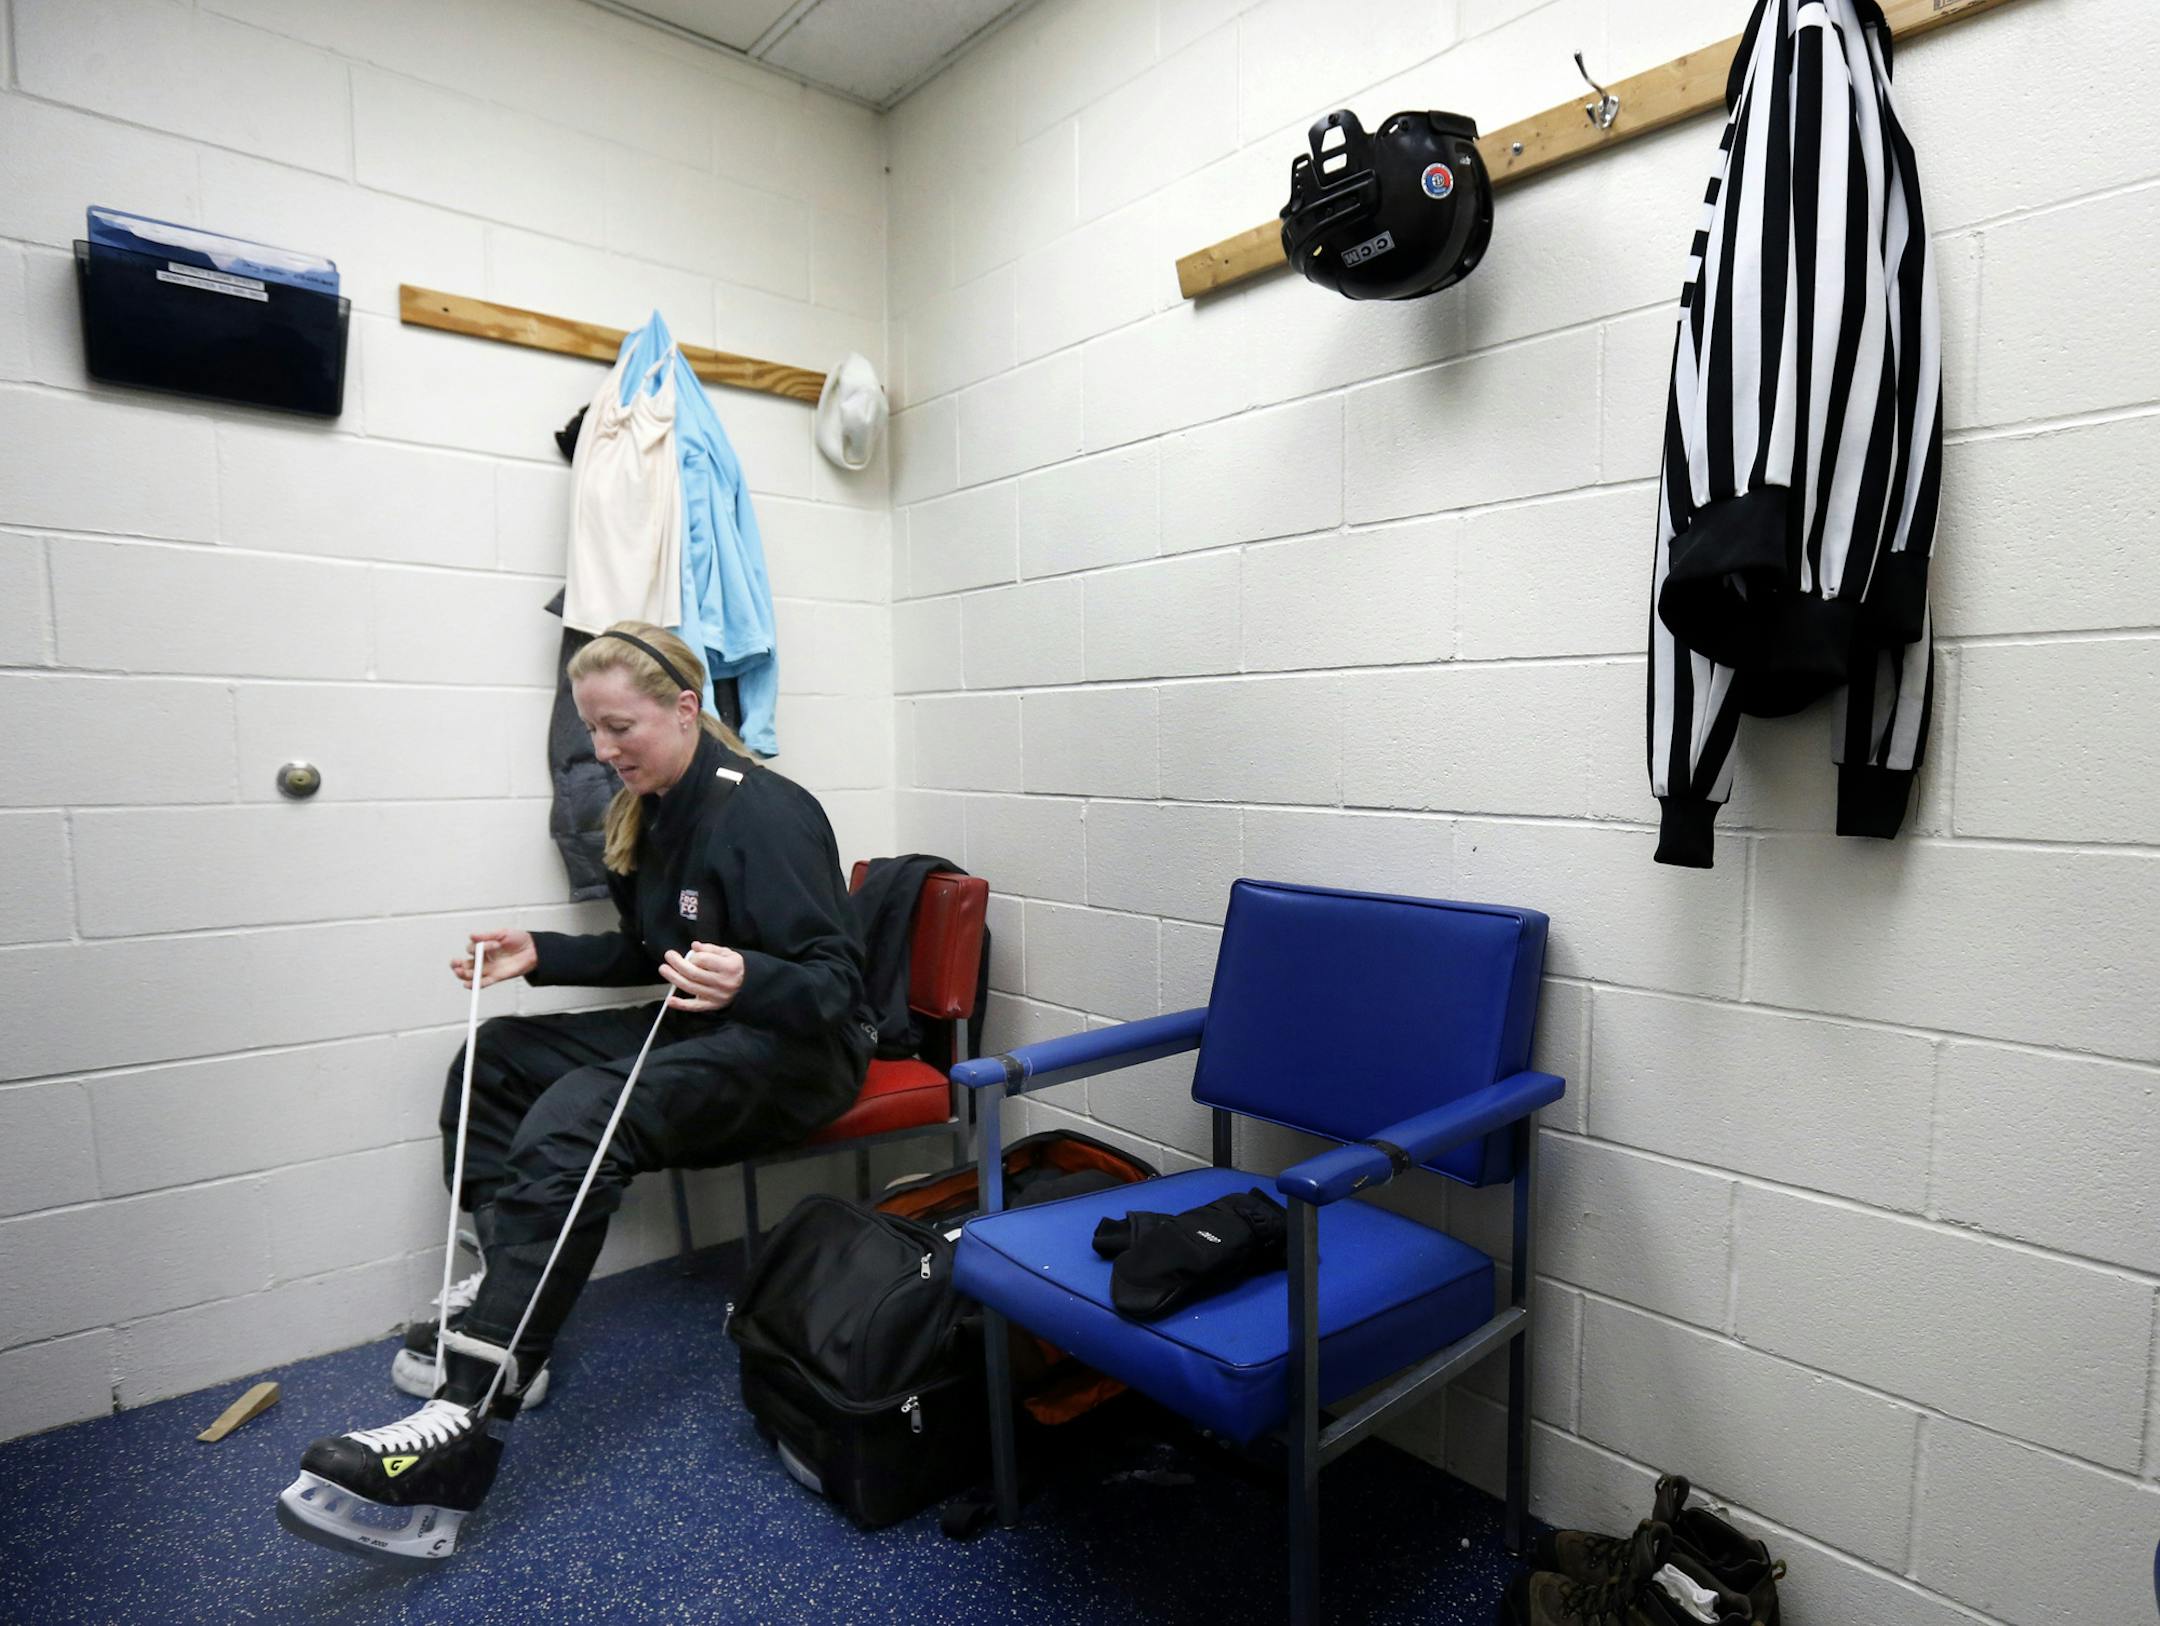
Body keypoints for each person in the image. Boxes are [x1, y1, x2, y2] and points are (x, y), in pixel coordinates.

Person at [277, 622, 876, 1566]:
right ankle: (507, 1314)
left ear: (686, 708)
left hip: (801, 1053)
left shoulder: (764, 810)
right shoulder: (650, 806)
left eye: (619, 727)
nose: (601, 751)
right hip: (715, 1028)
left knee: (584, 1111)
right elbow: (651, 956)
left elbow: (842, 984)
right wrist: (542, 956)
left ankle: (463, 1423)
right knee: (498, 1060)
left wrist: (750, 981)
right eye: (592, 730)